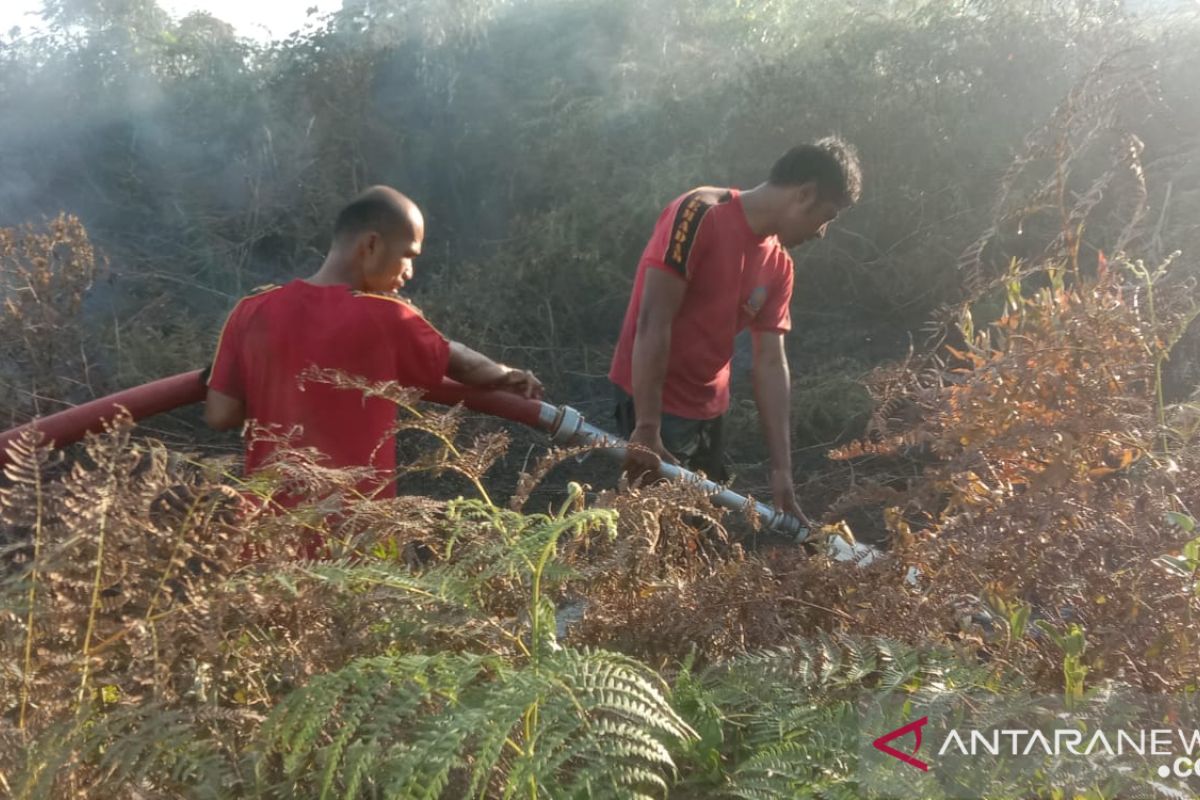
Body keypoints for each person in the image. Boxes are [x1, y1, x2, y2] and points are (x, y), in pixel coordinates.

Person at [204, 185, 542, 504]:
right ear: (371, 245)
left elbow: (221, 414)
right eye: (408, 255)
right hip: (358, 542)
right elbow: (463, 363)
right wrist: (507, 375)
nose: (409, 272)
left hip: (268, 538)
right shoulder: (386, 317)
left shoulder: (250, 312)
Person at [609, 136, 862, 527]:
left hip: (708, 410)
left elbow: (771, 364)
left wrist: (782, 470)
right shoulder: (698, 214)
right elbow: (652, 321)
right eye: (825, 217)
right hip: (652, 403)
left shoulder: (780, 266)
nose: (821, 232)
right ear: (804, 194)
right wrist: (646, 427)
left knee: (699, 531)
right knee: (648, 530)